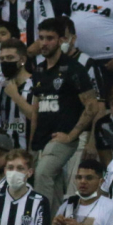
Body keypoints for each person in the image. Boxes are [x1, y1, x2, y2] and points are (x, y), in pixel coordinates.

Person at [30, 18, 99, 210]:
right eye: (41, 38)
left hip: (62, 139)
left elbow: (92, 106)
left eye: (50, 38)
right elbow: (36, 109)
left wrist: (71, 135)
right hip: (41, 138)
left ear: (61, 40)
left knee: (42, 174)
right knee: (55, 187)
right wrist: (31, 144)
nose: (44, 43)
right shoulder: (39, 69)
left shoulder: (74, 68)